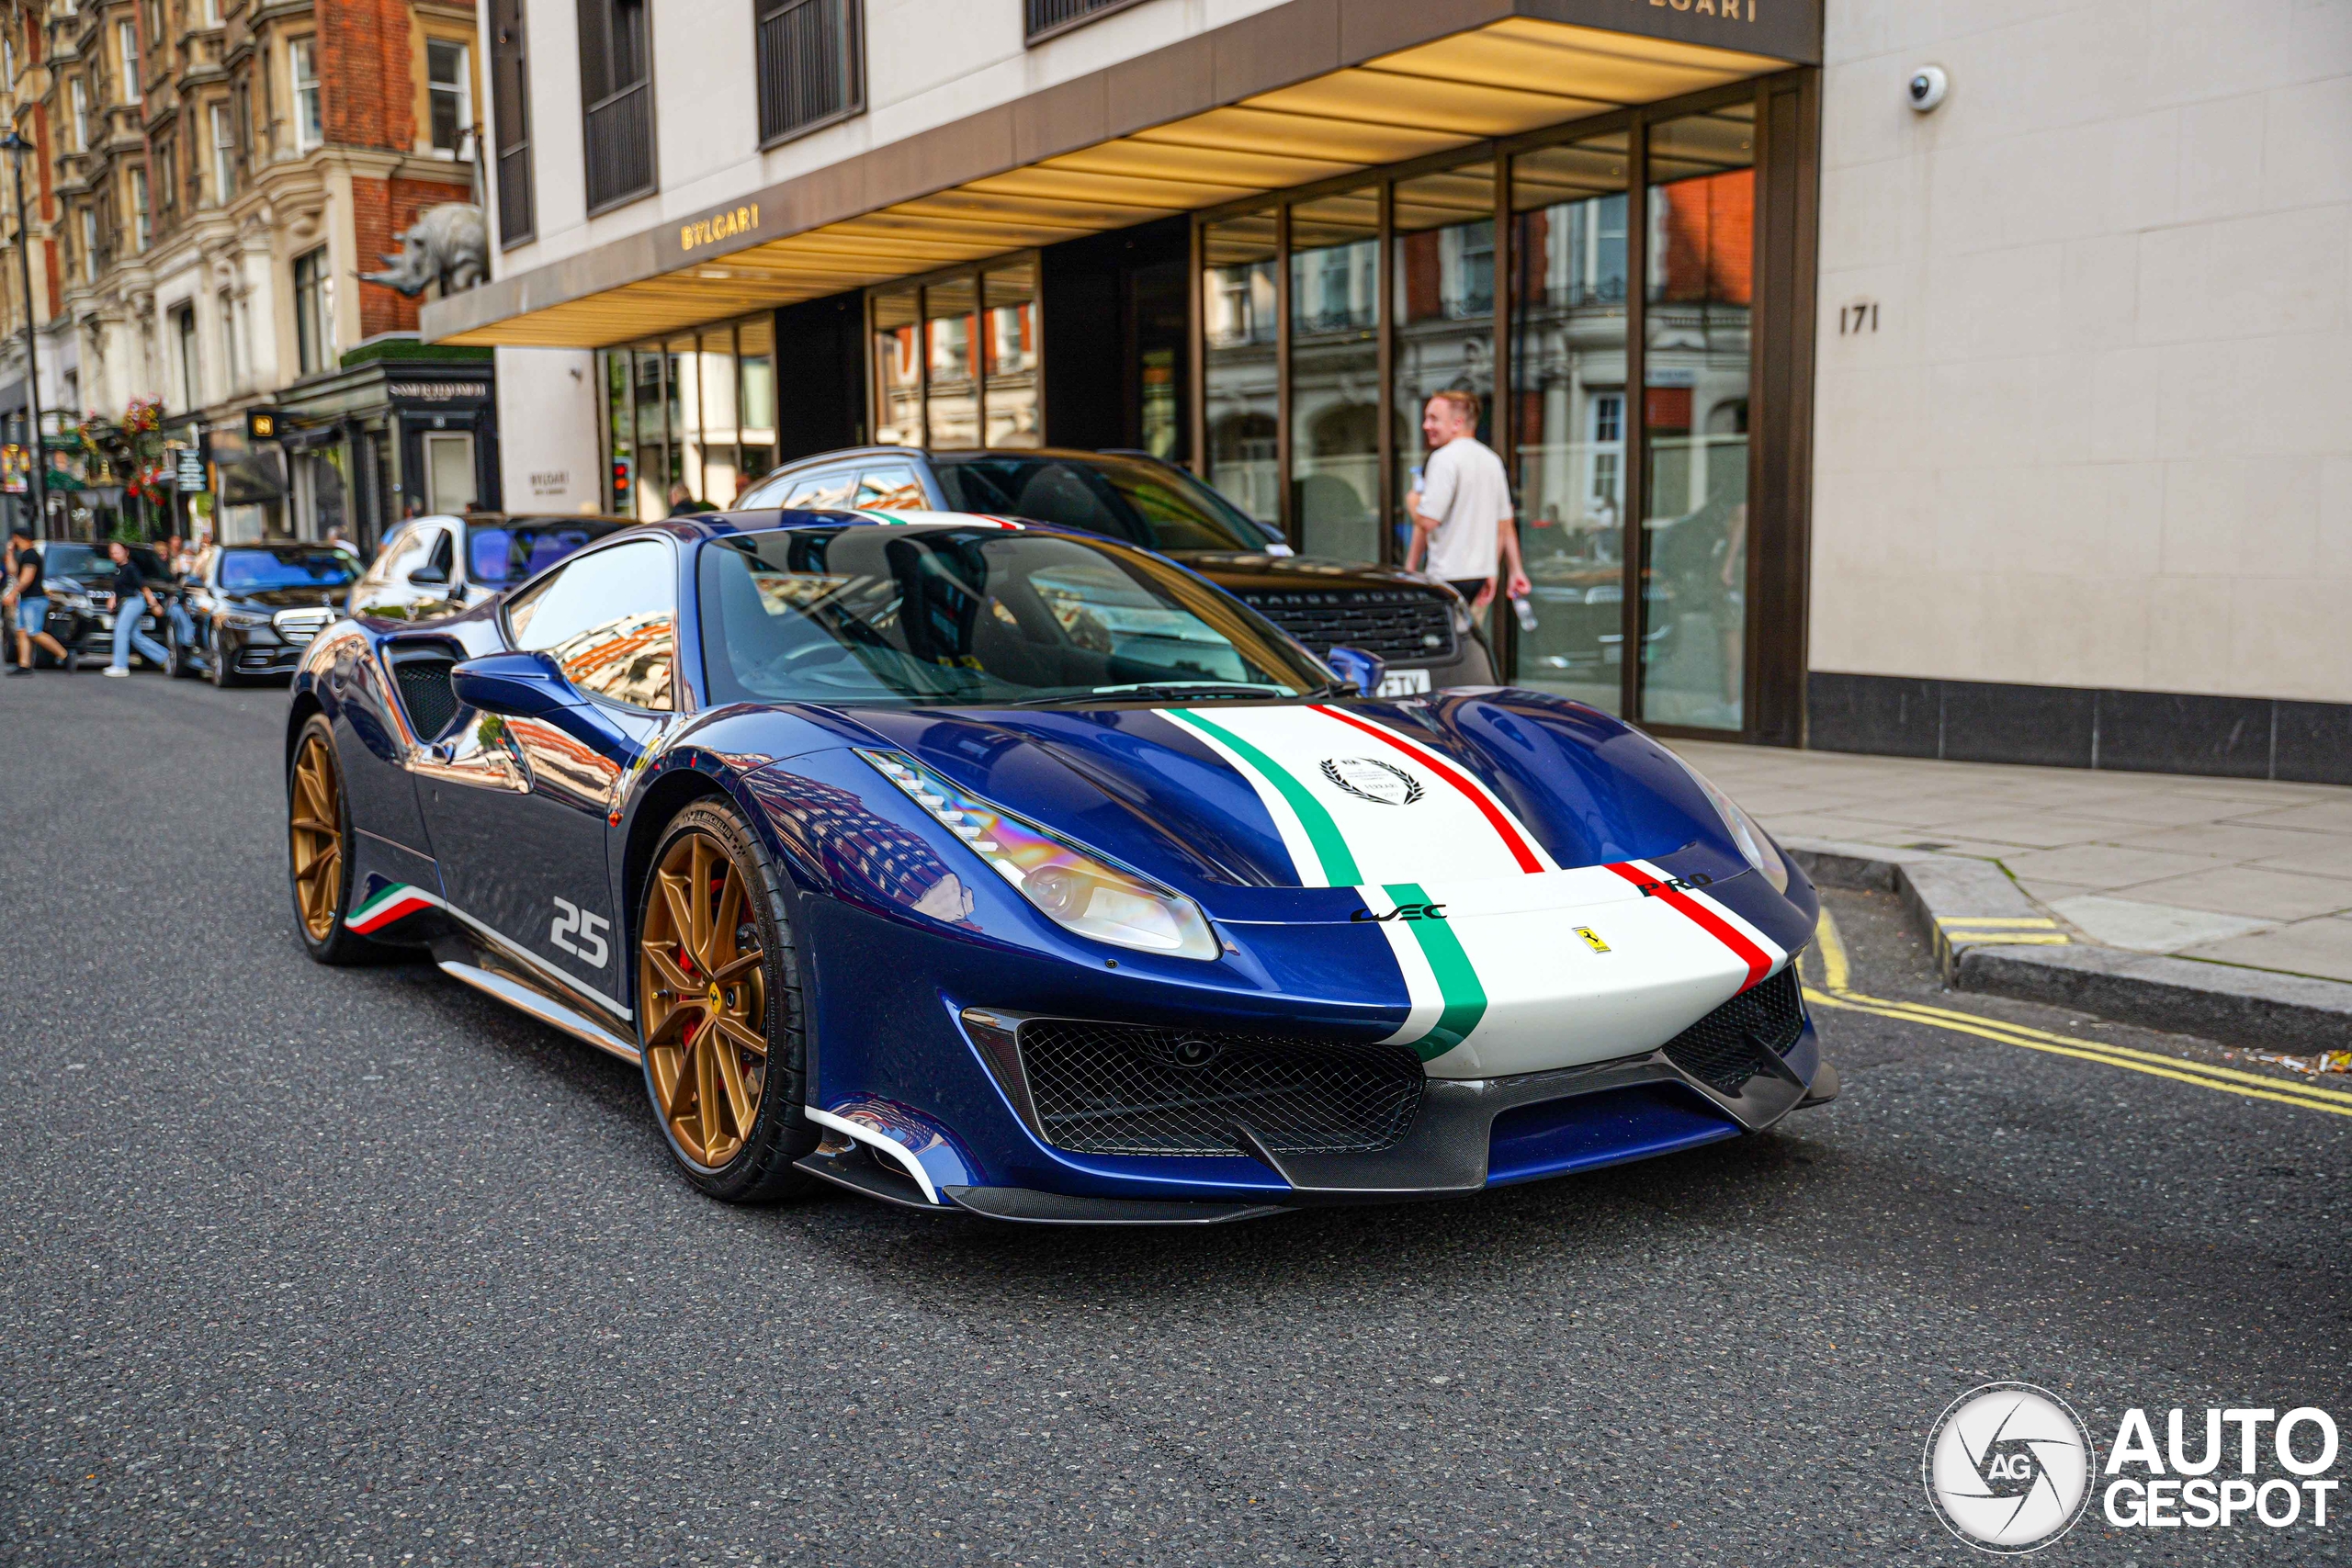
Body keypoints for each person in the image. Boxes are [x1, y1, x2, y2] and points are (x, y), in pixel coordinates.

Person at [1404, 389, 1528, 615]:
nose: (1425, 425)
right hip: (1480, 577)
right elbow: (1505, 523)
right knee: (1469, 645)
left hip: (1446, 578)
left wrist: (1412, 502)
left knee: (1442, 647)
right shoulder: (1492, 460)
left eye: (1434, 418)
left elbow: (1427, 522)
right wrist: (1512, 570)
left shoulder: (1444, 459)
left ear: (1457, 423)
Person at [5, 524, 74, 674]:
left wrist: (12, 593)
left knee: (33, 632)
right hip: (27, 599)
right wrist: (9, 553)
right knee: (22, 631)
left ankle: (65, 655)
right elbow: (13, 571)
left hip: (34, 600)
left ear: (17, 538)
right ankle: (24, 664)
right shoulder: (25, 554)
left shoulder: (31, 555)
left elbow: (26, 578)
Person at [103, 538, 168, 677]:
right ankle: (165, 657)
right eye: (112, 552)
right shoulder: (117, 569)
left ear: (126, 552)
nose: (115, 555)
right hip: (126, 602)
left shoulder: (131, 567)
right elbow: (119, 588)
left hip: (134, 601)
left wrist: (154, 604)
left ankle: (120, 666)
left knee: (121, 631)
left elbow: (143, 586)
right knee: (135, 636)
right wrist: (113, 598)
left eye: (117, 552)